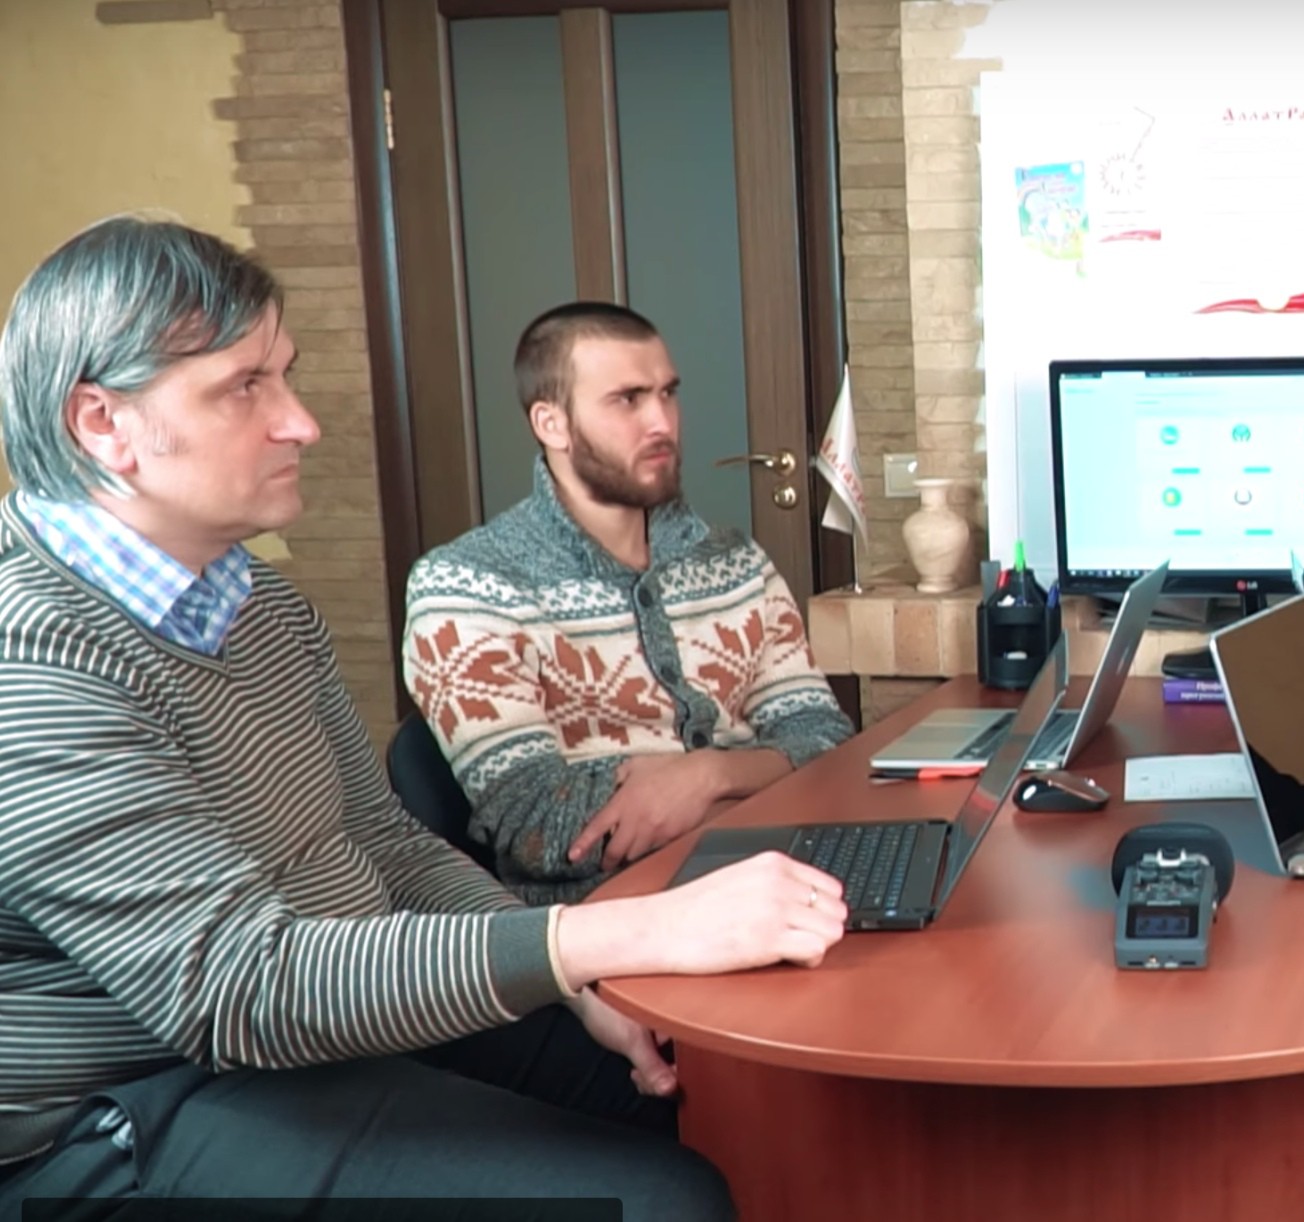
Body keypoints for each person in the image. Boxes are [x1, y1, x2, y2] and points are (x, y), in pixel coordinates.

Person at [0, 215, 852, 1217]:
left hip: (328, 1017)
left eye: (285, 377)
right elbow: (235, 989)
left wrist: (565, 980)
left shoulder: (263, 607)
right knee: (665, 1201)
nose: (301, 423)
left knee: (725, 1099)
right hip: (124, 1110)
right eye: (244, 386)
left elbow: (384, 842)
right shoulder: (35, 662)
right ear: (102, 423)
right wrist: (600, 940)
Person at [402, 301, 851, 905]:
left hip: (790, 875)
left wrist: (705, 776)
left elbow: (825, 740)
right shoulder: (465, 585)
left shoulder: (735, 561)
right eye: (627, 399)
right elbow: (539, 825)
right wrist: (767, 785)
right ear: (551, 424)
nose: (661, 421)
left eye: (668, 393)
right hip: (612, 917)